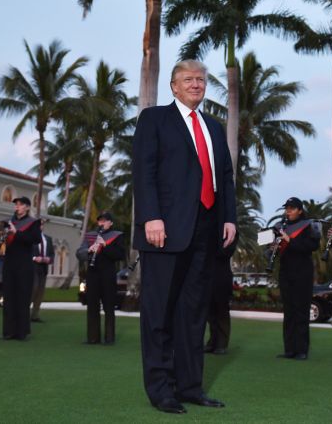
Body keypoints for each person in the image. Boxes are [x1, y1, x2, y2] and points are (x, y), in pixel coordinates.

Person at [132, 59, 237, 414]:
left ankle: (191, 387)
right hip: (164, 231)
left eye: (201, 79)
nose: (196, 84)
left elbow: (224, 177)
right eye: (188, 79)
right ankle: (161, 390)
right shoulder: (154, 119)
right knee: (159, 313)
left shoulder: (214, 127)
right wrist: (151, 217)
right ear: (174, 87)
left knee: (193, 314)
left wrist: (229, 219)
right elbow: (143, 170)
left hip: (206, 232)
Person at [274, 197, 320, 361]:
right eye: (287, 208)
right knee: (289, 311)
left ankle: (301, 350)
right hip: (286, 272)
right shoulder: (282, 226)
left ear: (300, 210)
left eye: (292, 208)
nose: (289, 211)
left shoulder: (308, 225)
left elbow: (312, 246)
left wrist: (290, 241)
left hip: (302, 273)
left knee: (301, 311)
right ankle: (289, 349)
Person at [79, 210, 125, 345]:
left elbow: (119, 255)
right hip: (92, 274)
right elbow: (80, 252)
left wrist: (105, 246)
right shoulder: (91, 236)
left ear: (110, 223)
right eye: (100, 221)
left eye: (105, 221)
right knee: (92, 306)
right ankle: (93, 338)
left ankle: (109, 338)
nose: (102, 223)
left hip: (108, 275)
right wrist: (89, 250)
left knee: (109, 306)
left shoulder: (117, 236)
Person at [1, 196, 41, 340]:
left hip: (24, 263)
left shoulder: (33, 223)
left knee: (22, 297)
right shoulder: (7, 221)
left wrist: (17, 233)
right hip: (9, 262)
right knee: (9, 297)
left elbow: (35, 239)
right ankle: (8, 331)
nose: (17, 206)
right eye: (16, 204)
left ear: (27, 207)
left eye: (20, 204)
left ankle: (22, 332)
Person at [204, 229, 238, 356]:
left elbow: (226, 251)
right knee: (209, 311)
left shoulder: (230, 231)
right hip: (206, 276)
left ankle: (222, 344)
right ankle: (212, 342)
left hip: (221, 276)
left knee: (221, 311)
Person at [30, 224, 54, 323]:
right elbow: (26, 253)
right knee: (33, 289)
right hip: (32, 267)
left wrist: (49, 259)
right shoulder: (30, 238)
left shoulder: (48, 239)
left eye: (42, 224)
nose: (40, 226)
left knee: (40, 292)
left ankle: (35, 315)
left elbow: (52, 253)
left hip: (43, 268)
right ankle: (22, 314)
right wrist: (35, 258)